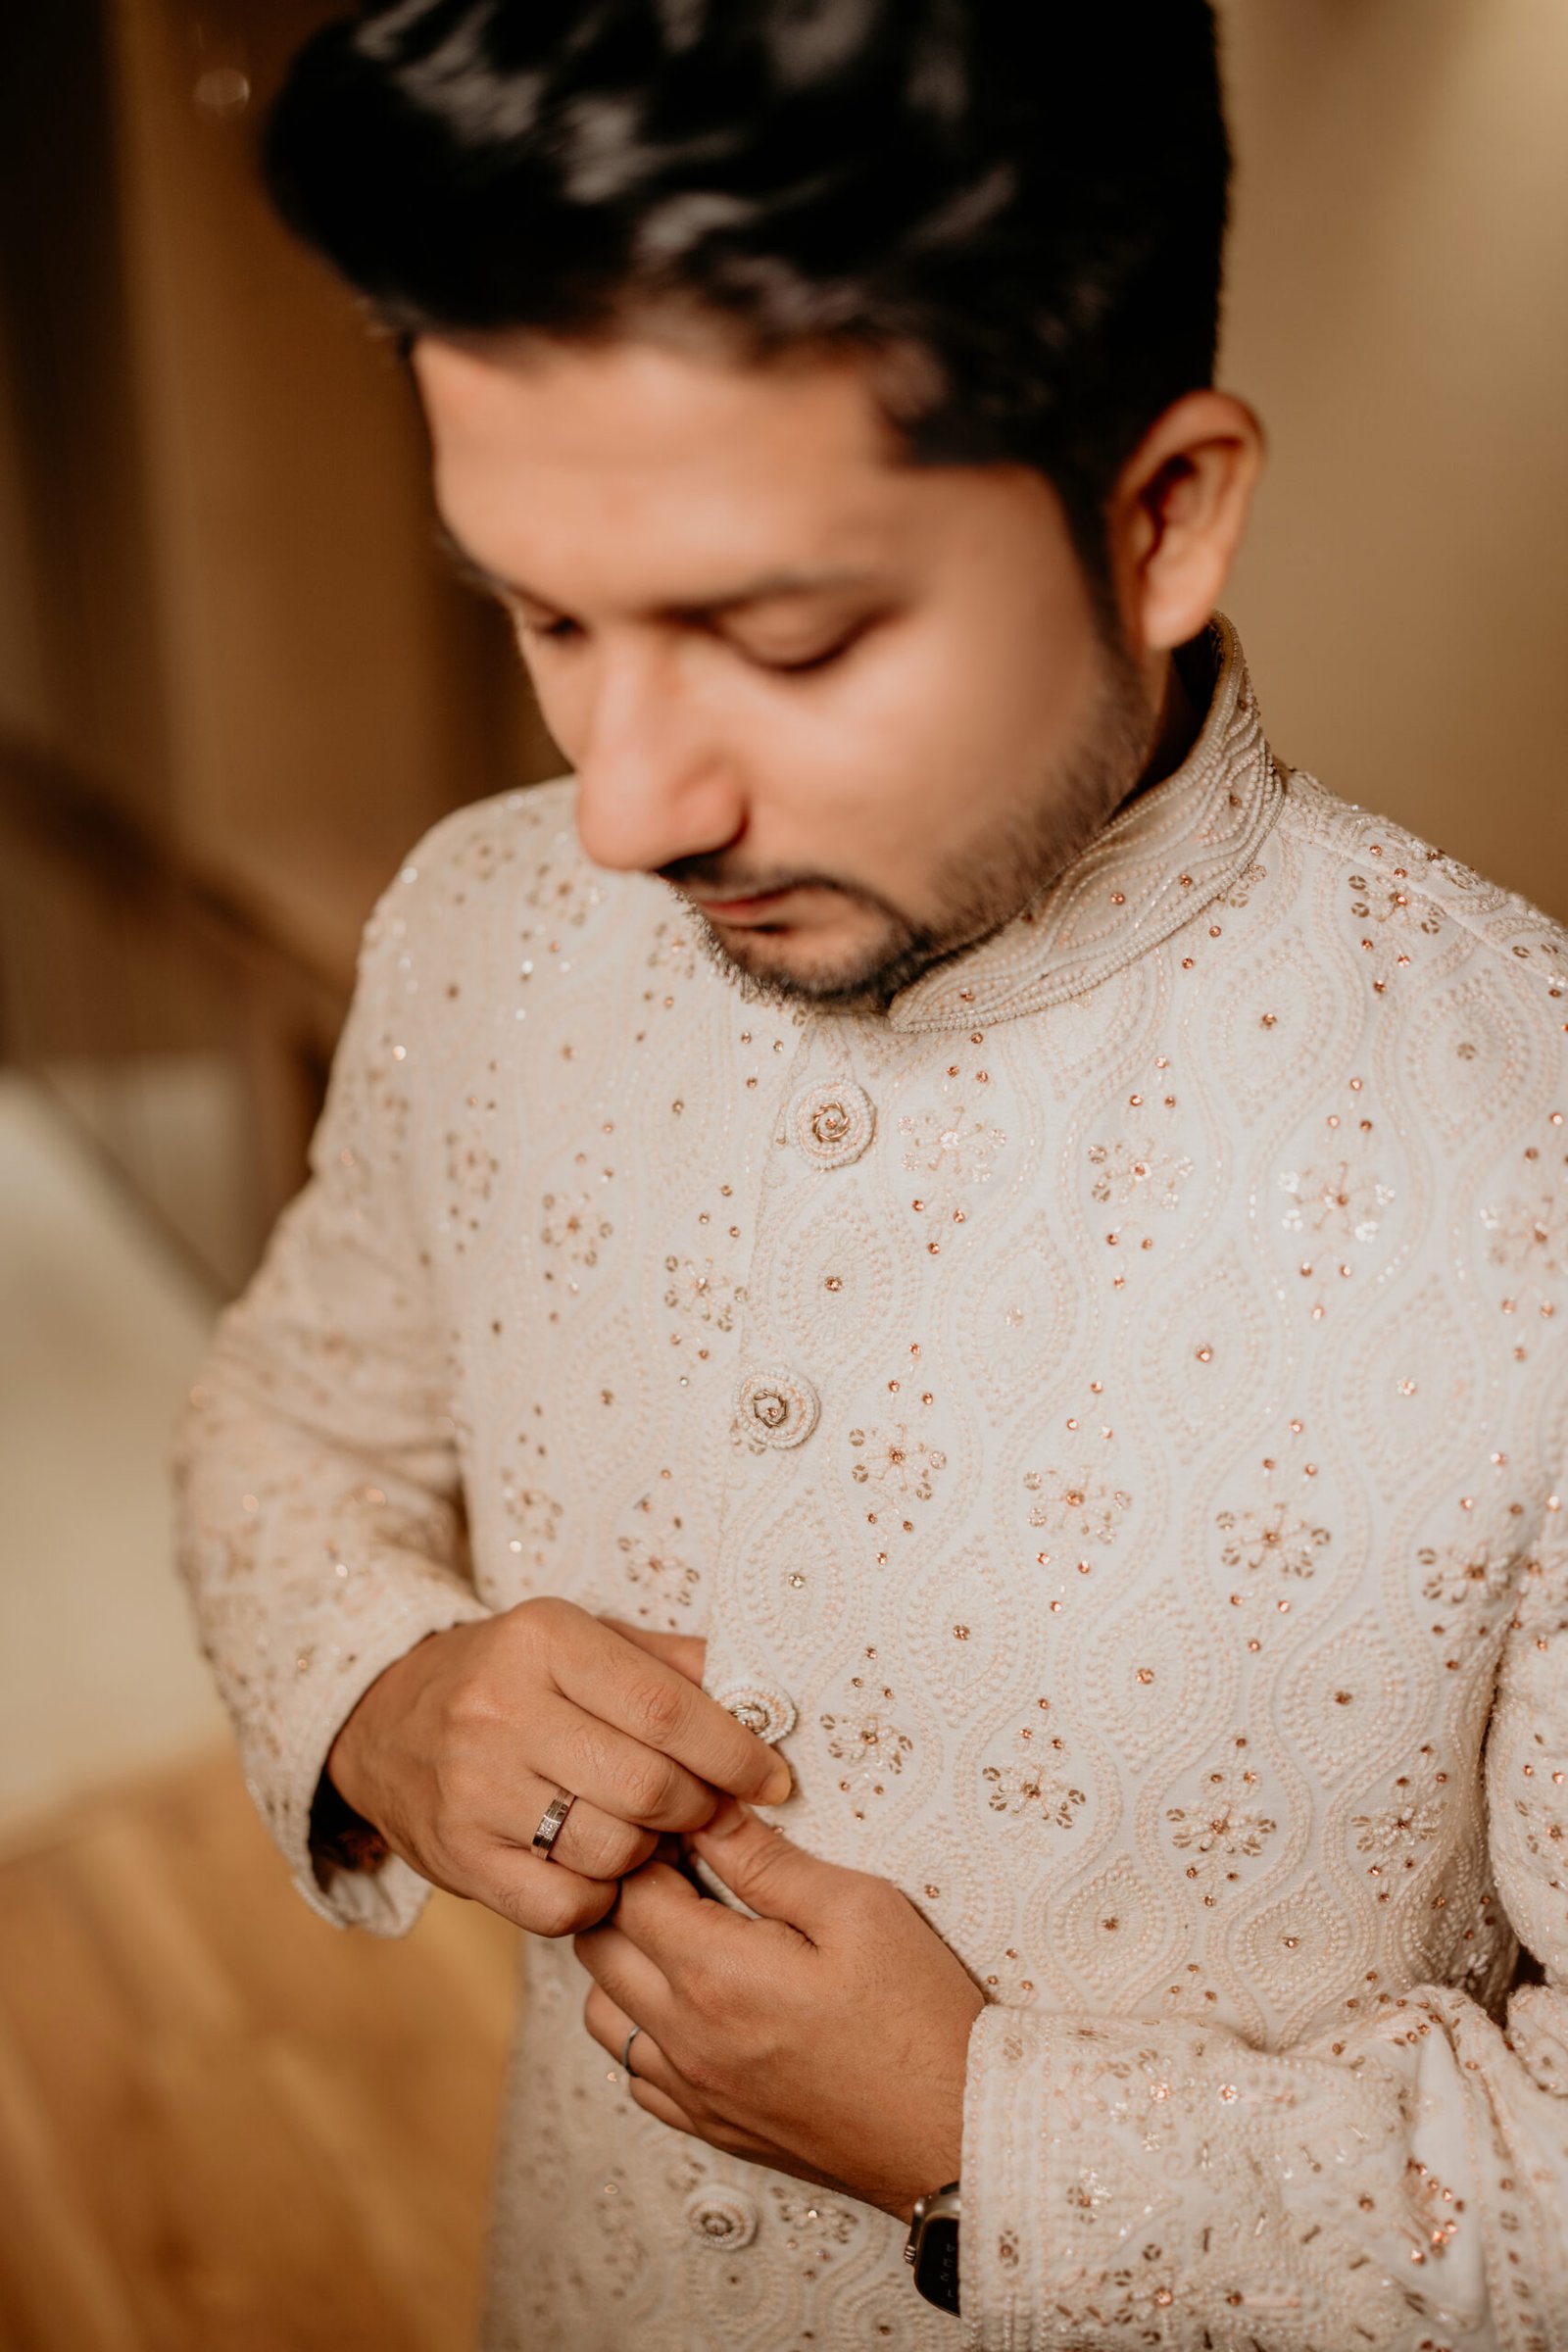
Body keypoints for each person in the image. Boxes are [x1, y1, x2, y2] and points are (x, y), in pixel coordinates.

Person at [174, 2, 1568, 2343]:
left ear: (1158, 516)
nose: (626, 804)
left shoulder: (1528, 1153)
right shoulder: (488, 928)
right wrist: (379, 1695)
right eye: (539, 616)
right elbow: (291, 1422)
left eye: (782, 637)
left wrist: (986, 2136)